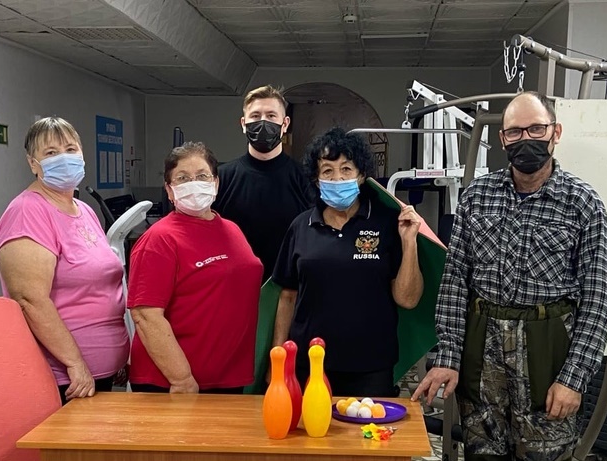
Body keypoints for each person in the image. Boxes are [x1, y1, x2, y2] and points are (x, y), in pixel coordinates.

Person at [413, 92, 607, 461]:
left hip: (548, 350)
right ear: (502, 139)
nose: (525, 141)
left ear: (555, 132)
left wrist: (574, 377)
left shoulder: (583, 203)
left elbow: (598, 299)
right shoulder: (478, 197)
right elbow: (455, 284)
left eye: (535, 130)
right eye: (514, 133)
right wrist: (449, 355)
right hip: (484, 349)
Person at [272, 127, 425, 396]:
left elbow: (408, 299)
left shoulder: (387, 223)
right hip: (311, 363)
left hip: (371, 366)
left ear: (361, 175)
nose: (337, 178)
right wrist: (278, 359)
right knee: (311, 424)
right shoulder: (301, 226)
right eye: (327, 171)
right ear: (316, 179)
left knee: (367, 425)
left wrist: (409, 241)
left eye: (346, 169)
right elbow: (287, 297)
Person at [0, 117, 129, 402]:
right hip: (65, 377)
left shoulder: (83, 209)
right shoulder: (27, 212)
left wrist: (117, 354)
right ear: (33, 164)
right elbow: (29, 299)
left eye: (70, 149)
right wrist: (75, 363)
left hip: (101, 371)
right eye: (51, 153)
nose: (64, 158)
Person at [127, 143, 262, 393]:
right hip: (175, 384)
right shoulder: (159, 240)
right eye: (183, 178)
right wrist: (182, 379)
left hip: (227, 376)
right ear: (169, 190)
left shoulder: (231, 230)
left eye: (202, 176)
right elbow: (146, 316)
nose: (194, 184)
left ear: (216, 183)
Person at [213, 85, 314, 281]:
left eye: (271, 116)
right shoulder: (221, 178)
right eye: (255, 116)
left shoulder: (306, 179)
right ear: (243, 124)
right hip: (232, 284)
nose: (263, 122)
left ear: (285, 124)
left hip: (289, 288)